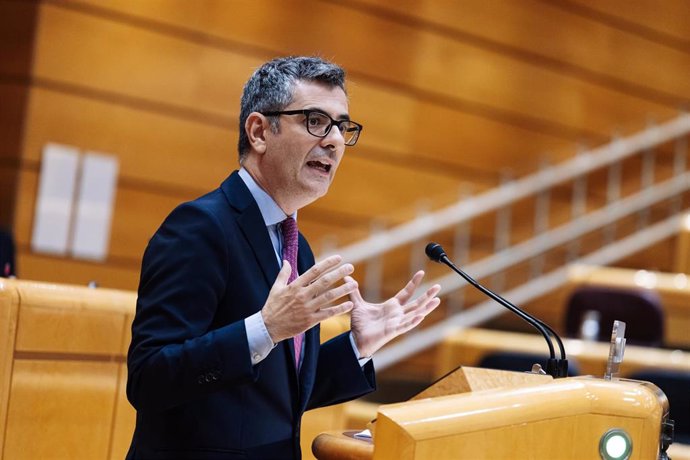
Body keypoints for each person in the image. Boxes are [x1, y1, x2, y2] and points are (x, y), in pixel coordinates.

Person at [126, 56, 441, 459]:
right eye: (315, 121)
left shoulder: (297, 246)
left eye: (342, 127)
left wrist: (357, 345)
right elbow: (150, 379)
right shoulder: (201, 227)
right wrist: (266, 328)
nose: (334, 140)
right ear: (259, 132)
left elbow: (272, 398)